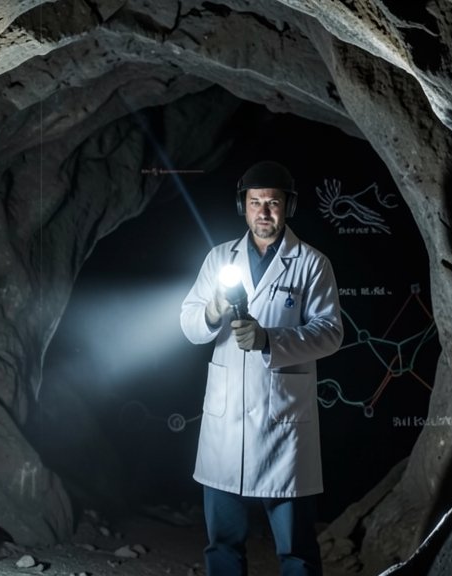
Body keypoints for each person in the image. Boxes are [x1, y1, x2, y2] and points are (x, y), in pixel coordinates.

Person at [180, 160, 344, 576]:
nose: (264, 212)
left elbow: (330, 333)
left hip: (282, 430)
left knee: (296, 553)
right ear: (243, 207)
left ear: (288, 206)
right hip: (226, 426)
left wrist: (270, 339)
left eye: (273, 202)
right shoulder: (220, 258)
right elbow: (189, 324)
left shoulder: (311, 263)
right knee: (222, 546)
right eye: (256, 203)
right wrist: (213, 311)